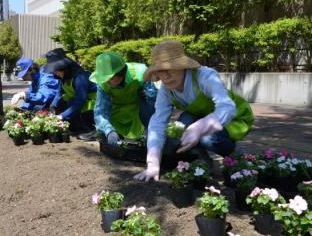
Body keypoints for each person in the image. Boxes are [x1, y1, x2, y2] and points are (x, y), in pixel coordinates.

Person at [134, 40, 254, 181]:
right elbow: (158, 121)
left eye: (169, 69)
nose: (165, 77)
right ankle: (202, 159)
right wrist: (153, 163)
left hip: (233, 117)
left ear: (182, 66)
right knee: (176, 135)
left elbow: (227, 107)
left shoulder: (205, 76)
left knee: (207, 138)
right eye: (160, 71)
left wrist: (199, 128)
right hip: (199, 116)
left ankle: (234, 154)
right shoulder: (166, 90)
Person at [89, 52, 157, 145]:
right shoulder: (103, 84)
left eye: (110, 78)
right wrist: (109, 131)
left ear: (121, 72)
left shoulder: (140, 72)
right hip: (116, 114)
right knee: (107, 138)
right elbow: (101, 111)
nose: (107, 81)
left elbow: (155, 101)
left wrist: (152, 127)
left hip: (138, 113)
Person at [44, 48, 97, 136]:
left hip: (93, 105)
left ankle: (90, 129)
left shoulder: (80, 77)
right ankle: (76, 127)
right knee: (61, 103)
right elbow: (60, 92)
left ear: (63, 67)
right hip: (78, 101)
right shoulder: (64, 77)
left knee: (73, 104)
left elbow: (79, 101)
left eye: (56, 70)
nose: (54, 73)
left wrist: (62, 116)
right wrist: (52, 106)